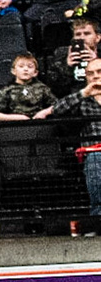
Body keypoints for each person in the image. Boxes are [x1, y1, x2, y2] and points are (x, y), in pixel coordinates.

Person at [49, 63, 101, 216]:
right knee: (96, 160)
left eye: (99, 71)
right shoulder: (82, 99)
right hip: (95, 151)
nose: (95, 76)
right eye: (90, 73)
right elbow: (57, 110)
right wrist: (84, 93)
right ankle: (98, 217)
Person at [0, 53, 55, 121]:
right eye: (21, 66)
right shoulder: (7, 90)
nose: (25, 69)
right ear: (13, 71)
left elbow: (56, 106)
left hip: (39, 124)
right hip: (15, 126)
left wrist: (43, 113)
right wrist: (19, 118)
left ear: (35, 72)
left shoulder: (43, 88)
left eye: (30, 67)